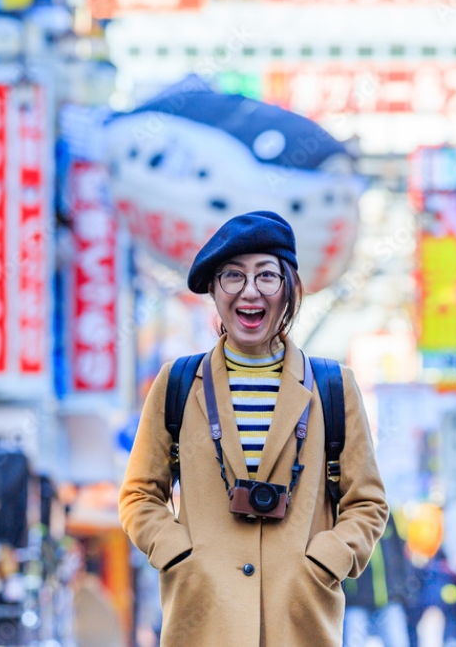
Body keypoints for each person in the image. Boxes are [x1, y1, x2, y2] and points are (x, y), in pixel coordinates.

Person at [119, 211, 390, 646]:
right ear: (213, 289)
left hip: (300, 621)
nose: (249, 291)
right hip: (202, 620)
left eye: (266, 275)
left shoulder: (334, 387)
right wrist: (181, 556)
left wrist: (324, 562)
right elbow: (138, 495)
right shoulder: (177, 383)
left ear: (288, 290)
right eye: (233, 276)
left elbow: (368, 503)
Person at [344, 510, 416, 647]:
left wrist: (403, 589)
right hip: (355, 601)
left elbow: (401, 553)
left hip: (390, 599)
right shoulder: (344, 513)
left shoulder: (387, 513)